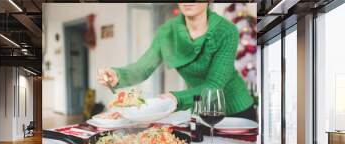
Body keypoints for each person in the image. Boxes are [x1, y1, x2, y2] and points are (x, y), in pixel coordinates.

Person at [97, 3, 256, 121]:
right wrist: (118, 75)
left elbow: (214, 85)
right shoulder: (166, 31)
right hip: (201, 111)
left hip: (237, 112)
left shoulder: (227, 31)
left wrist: (176, 98)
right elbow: (143, 68)